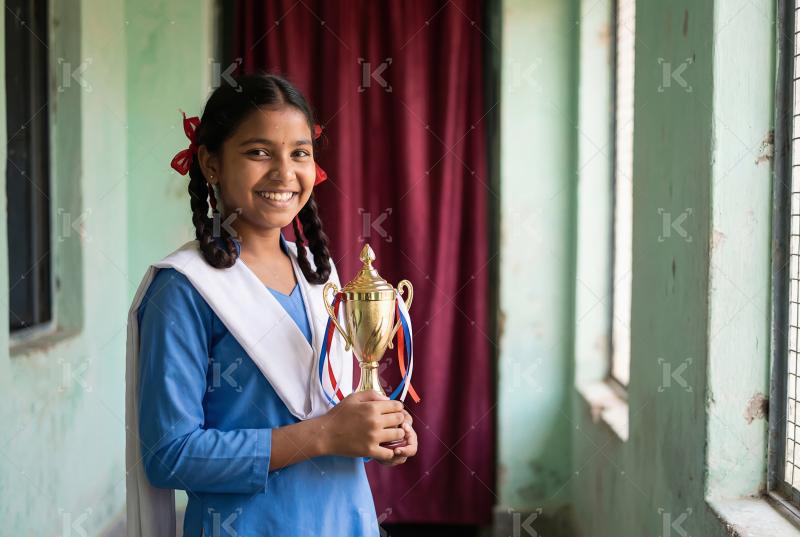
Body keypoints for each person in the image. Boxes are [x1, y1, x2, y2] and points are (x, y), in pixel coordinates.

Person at [124, 73, 418, 537]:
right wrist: (322, 437)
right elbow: (170, 456)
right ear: (211, 163)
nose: (284, 172)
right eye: (258, 152)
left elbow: (332, 408)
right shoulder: (183, 291)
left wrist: (378, 429)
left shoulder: (318, 274)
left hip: (347, 520)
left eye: (299, 152)